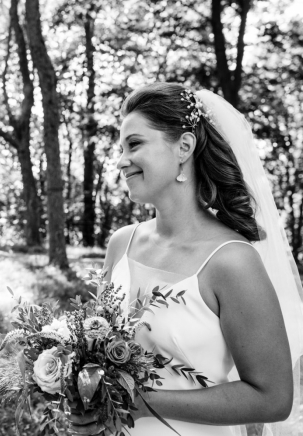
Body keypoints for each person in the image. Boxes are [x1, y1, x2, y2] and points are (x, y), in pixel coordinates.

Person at [79, 83, 303, 436]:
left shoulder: (232, 261)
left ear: (183, 147)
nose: (121, 161)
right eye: (121, 148)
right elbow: (95, 354)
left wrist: (145, 403)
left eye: (134, 144)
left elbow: (273, 398)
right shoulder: (121, 243)